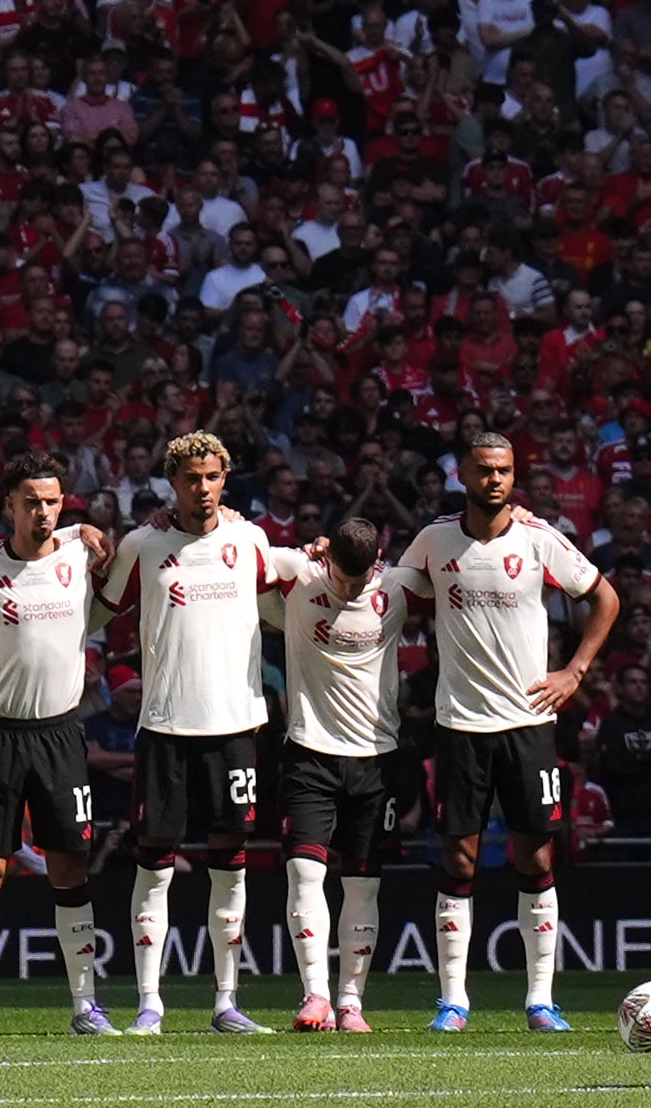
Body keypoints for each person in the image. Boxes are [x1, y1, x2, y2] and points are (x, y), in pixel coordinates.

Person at [394, 426, 620, 1036]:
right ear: (462, 475)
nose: (495, 479)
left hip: (529, 724)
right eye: (484, 470)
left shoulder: (539, 538)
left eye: (504, 470)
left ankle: (540, 1001)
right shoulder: (434, 540)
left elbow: (605, 598)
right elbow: (391, 592)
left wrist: (574, 671)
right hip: (461, 725)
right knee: (460, 858)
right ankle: (453, 1001)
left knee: (535, 853)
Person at [115, 427, 325, 1035]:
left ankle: (225, 1002)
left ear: (224, 481)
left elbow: (302, 585)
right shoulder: (143, 545)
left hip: (236, 728)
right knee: (153, 867)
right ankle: (150, 1004)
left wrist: (323, 552)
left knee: (229, 866)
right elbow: (101, 604)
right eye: (190, 479)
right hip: (164, 727)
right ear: (171, 484)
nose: (202, 489)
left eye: (211, 478)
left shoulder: (250, 539)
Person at [0, 460, 122, 1040]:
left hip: (61, 734)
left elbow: (91, 541)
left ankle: (85, 1005)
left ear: (61, 504)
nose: (42, 512)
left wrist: (84, 531)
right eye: (31, 502)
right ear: (9, 505)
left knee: (70, 865)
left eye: (51, 502)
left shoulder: (79, 556)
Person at [272, 493, 420, 1035]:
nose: (352, 587)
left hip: (376, 759)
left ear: (377, 563)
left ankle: (351, 1000)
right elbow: (236, 551)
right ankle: (315, 997)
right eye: (342, 575)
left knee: (363, 886)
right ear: (326, 556)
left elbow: (458, 579)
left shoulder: (398, 588)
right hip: (310, 751)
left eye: (362, 577)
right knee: (305, 873)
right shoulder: (299, 574)